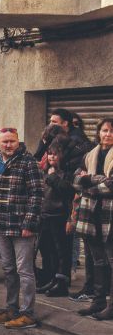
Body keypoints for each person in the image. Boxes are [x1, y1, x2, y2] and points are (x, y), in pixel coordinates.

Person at [0, 128, 43, 329]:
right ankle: (11, 309)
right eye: (4, 142)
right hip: (0, 224)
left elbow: (37, 194)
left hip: (21, 226)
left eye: (12, 141)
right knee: (8, 269)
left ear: (19, 142)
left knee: (24, 270)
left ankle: (28, 313)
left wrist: (29, 223)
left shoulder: (28, 162)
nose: (8, 145)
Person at [70, 118, 113, 320]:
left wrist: (89, 181)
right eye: (104, 130)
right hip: (91, 215)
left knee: (111, 261)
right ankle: (98, 302)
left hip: (109, 217)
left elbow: (111, 186)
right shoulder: (90, 154)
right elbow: (76, 181)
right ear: (99, 133)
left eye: (112, 131)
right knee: (97, 262)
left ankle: (111, 306)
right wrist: (98, 181)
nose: (108, 134)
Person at [37, 138, 75, 297]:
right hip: (45, 215)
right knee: (47, 250)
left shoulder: (66, 174)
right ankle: (51, 279)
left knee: (61, 252)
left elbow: (67, 192)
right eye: (49, 154)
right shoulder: (45, 172)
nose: (52, 157)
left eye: (55, 154)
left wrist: (53, 178)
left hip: (59, 216)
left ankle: (62, 283)